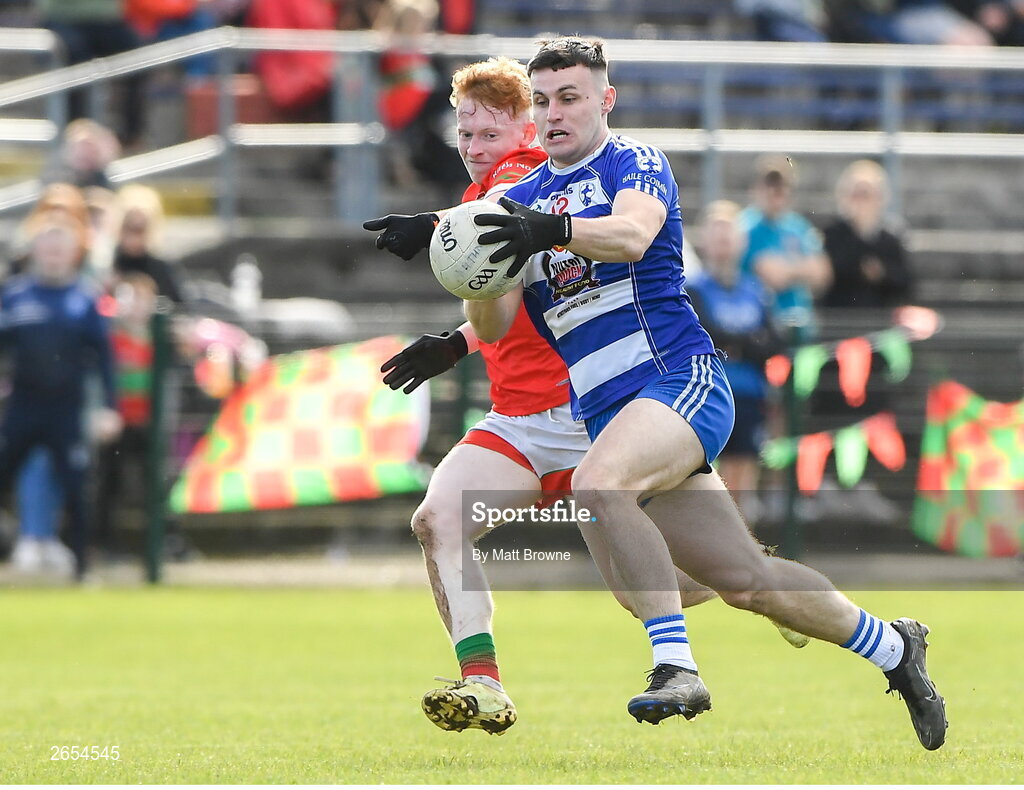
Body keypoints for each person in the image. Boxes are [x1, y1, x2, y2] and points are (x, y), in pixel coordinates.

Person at [469, 36, 946, 750]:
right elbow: (497, 320)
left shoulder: (632, 162)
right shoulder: (520, 201)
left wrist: (549, 227)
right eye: (542, 101)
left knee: (600, 484)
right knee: (737, 582)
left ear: (606, 99)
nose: (553, 113)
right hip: (611, 417)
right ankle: (894, 648)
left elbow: (630, 236)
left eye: (570, 97)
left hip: (680, 381)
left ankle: (677, 668)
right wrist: (466, 263)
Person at [363, 56, 801, 737]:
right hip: (519, 422)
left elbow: (496, 222)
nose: (477, 148)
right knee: (437, 520)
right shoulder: (490, 187)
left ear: (526, 125)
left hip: (588, 416)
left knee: (642, 591)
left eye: (490, 134)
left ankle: (755, 584)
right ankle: (483, 684)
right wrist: (455, 343)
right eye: (466, 135)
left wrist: (431, 223)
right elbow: (509, 297)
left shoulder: (532, 181)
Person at [0, 210, 122, 580]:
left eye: (60, 248)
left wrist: (108, 408)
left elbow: (104, 357)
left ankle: (83, 568)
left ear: (74, 253)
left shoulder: (85, 299)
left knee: (76, 488)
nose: (53, 254)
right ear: (35, 250)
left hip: (66, 410)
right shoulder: (15, 295)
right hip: (22, 406)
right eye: (47, 246)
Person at [686, 200, 784, 524]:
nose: (723, 242)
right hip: (709, 396)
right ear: (704, 241)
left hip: (749, 394)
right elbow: (707, 335)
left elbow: (771, 342)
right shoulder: (693, 289)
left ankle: (746, 551)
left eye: (729, 234)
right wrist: (743, 342)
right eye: (717, 234)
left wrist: (735, 343)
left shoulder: (755, 290)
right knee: (712, 479)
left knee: (744, 478)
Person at [739, 154, 832, 343]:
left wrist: (787, 269)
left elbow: (822, 273)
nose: (776, 192)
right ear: (757, 188)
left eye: (782, 185)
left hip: (802, 328)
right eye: (770, 185)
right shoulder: (745, 227)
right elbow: (773, 275)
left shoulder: (798, 227)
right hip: (761, 331)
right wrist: (801, 269)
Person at [821, 159, 913, 309]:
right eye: (854, 194)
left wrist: (882, 274)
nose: (859, 201)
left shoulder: (892, 238)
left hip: (880, 321)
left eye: (865, 194)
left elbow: (905, 282)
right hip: (841, 321)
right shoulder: (833, 235)